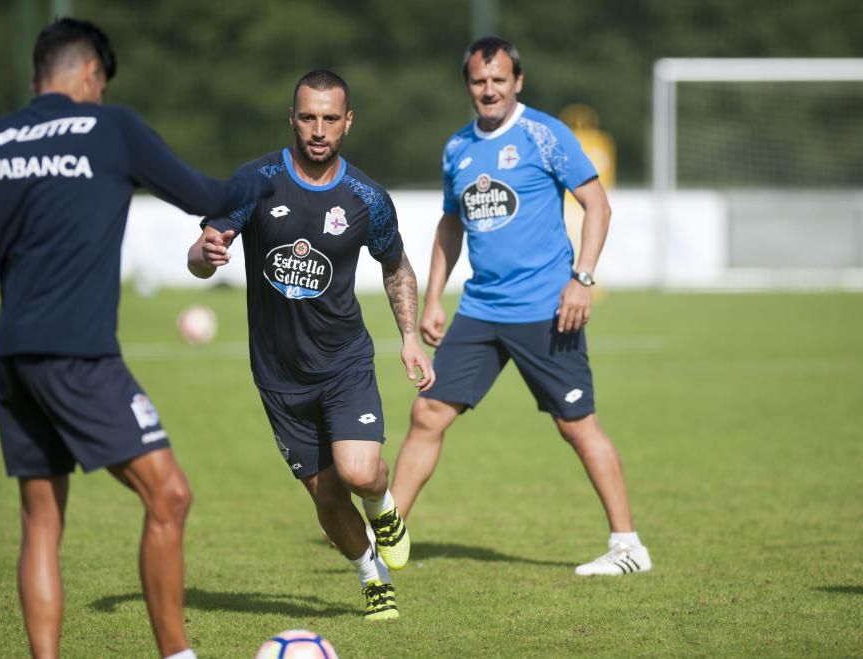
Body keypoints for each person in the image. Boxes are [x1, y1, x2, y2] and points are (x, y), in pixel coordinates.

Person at [0, 18, 273, 659]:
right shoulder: (111, 129)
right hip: (79, 358)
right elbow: (205, 195)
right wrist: (256, 185)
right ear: (91, 76)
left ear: (39, 77)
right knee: (169, 495)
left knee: (41, 519)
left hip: (16, 361)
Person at [390, 36, 652, 576]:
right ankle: (383, 540)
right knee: (427, 413)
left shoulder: (544, 134)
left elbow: (597, 205)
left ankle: (628, 546)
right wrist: (435, 297)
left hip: (546, 308)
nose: (489, 90)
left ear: (518, 82)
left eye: (499, 80)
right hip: (482, 308)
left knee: (577, 426)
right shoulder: (457, 148)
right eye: (479, 82)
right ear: (469, 85)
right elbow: (450, 224)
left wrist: (582, 279)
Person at [188, 70, 433, 621]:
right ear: (292, 119)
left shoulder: (366, 196)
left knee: (359, 472)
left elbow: (396, 267)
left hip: (344, 361)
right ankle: (372, 575)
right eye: (307, 117)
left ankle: (382, 505)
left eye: (329, 118)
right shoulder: (255, 180)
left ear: (348, 122)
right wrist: (205, 255)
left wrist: (411, 337)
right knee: (326, 496)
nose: (318, 130)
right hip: (277, 374)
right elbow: (202, 255)